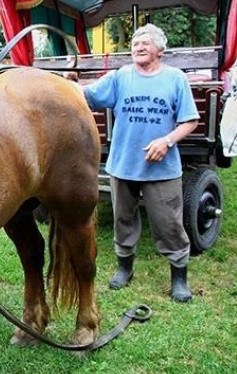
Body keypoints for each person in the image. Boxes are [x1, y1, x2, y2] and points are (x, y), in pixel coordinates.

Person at [81, 24, 199, 302]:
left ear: (160, 49)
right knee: (123, 219)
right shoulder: (120, 77)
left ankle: (179, 279)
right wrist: (62, 84)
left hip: (163, 169)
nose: (138, 47)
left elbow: (190, 121)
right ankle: (125, 269)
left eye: (146, 43)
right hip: (123, 164)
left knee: (168, 223)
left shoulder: (175, 79)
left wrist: (166, 141)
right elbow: (88, 95)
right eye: (135, 43)